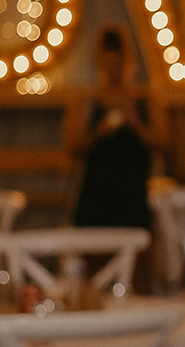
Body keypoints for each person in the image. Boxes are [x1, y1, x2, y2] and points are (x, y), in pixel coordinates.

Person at [64, 24, 161, 233]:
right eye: (108, 60)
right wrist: (98, 133)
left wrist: (136, 125)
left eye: (117, 60)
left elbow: (163, 141)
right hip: (95, 198)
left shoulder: (144, 100)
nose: (113, 66)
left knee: (137, 248)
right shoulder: (86, 101)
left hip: (134, 198)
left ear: (126, 60)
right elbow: (72, 145)